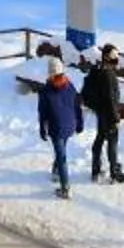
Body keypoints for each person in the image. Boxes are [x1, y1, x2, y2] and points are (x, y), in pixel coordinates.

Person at [82, 44, 124, 184]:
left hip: (99, 111)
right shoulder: (108, 74)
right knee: (112, 143)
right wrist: (115, 117)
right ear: (110, 58)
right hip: (108, 114)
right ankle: (114, 172)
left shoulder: (96, 69)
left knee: (100, 138)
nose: (117, 60)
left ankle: (95, 170)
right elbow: (110, 98)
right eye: (115, 57)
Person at [37, 61, 84, 198]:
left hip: (56, 127)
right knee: (62, 149)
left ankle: (65, 188)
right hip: (70, 125)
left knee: (61, 156)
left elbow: (42, 113)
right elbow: (77, 107)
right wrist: (80, 123)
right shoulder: (70, 86)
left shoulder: (46, 91)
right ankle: (56, 170)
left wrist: (42, 129)